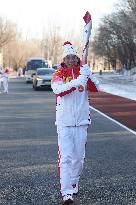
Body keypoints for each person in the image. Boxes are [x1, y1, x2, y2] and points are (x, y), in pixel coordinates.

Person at [51, 41, 100, 204]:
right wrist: (77, 81)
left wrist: (88, 75)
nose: (71, 60)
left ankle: (73, 182)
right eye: (68, 57)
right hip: (64, 123)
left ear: (77, 58)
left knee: (78, 158)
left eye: (74, 57)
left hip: (81, 122)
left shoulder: (84, 72)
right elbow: (59, 90)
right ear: (64, 59)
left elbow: (97, 88)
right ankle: (66, 192)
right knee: (66, 158)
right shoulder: (58, 74)